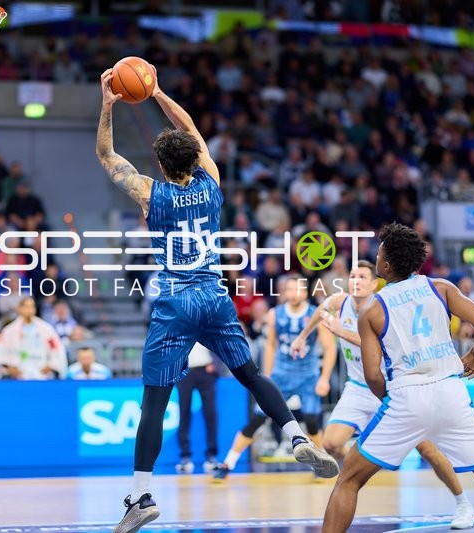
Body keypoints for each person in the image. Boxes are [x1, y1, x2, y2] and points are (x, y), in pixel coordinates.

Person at [96, 68, 338, 533]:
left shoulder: (151, 192)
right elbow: (193, 133)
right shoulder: (211, 182)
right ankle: (294, 434)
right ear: (194, 157)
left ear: (161, 165)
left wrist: (108, 104)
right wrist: (160, 91)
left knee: (154, 402)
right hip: (214, 293)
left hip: (175, 300)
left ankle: (140, 494)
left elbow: (107, 155)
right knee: (251, 374)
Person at [321, 223, 474, 533]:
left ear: (387, 265)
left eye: (379, 254)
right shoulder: (441, 287)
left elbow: (372, 375)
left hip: (406, 396)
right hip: (451, 393)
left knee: (349, 480)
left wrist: (393, 404)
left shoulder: (372, 311)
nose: (376, 257)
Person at [292, 261, 474, 529]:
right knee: (330, 443)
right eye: (352, 275)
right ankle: (364, 467)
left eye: (362, 276)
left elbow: (374, 342)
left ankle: (463, 503)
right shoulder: (340, 301)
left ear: (372, 283)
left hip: (389, 387)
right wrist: (302, 336)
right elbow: (322, 309)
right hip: (357, 387)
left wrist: (340, 331)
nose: (355, 280)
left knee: (427, 450)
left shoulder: (381, 306)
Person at [214, 275, 336, 481]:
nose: (293, 294)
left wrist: (324, 378)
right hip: (281, 373)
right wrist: (268, 376)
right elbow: (271, 346)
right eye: (289, 290)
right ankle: (228, 463)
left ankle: (321, 462)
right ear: (284, 293)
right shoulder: (274, 314)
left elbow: (329, 346)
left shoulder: (314, 314)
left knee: (312, 421)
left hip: (308, 375)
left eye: (297, 289)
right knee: (257, 419)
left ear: (305, 292)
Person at [0, 297, 65, 380]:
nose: (29, 310)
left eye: (32, 306)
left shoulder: (46, 330)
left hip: (41, 374)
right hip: (18, 375)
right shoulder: (9, 331)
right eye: (26, 306)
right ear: (19, 309)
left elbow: (57, 350)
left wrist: (51, 366)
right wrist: (9, 368)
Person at [175, 342, 219, 475]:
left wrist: (216, 364)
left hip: (206, 370)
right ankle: (185, 456)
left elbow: (218, 342)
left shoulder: (206, 322)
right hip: (184, 370)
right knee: (184, 412)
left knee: (210, 413)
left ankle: (212, 456)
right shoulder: (179, 323)